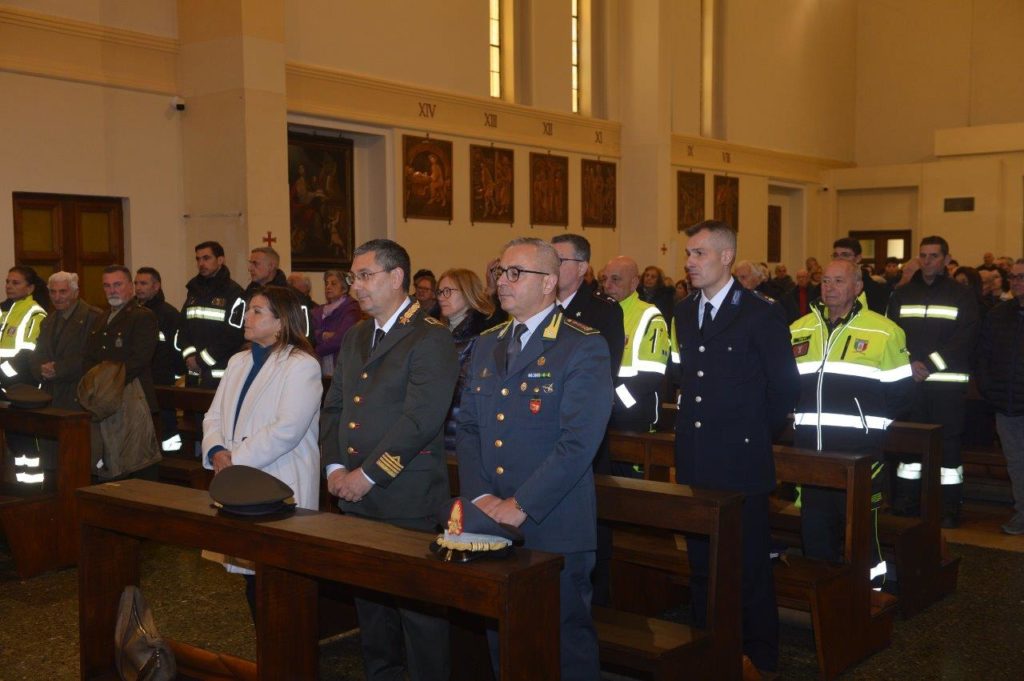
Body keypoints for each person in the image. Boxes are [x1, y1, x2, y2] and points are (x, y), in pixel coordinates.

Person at [457, 237, 612, 681]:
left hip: (553, 521)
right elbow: (469, 428)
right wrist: (481, 497)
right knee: (504, 636)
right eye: (500, 272)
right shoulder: (488, 342)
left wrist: (520, 504)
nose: (502, 282)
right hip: (490, 518)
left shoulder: (582, 345)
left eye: (515, 273)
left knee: (563, 642)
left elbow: (578, 442)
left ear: (548, 283)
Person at [320, 239, 457, 681]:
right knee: (372, 611)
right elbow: (335, 407)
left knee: (419, 614)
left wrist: (369, 475)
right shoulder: (357, 335)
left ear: (397, 277)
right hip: (355, 497)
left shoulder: (430, 336)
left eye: (365, 276)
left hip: (406, 497)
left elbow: (421, 419)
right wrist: (335, 467)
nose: (354, 286)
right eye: (352, 277)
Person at [671, 220, 799, 675]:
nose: (689, 262)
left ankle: (759, 654)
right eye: (688, 253)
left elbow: (785, 389)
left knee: (748, 566)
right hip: (695, 456)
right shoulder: (684, 311)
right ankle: (707, 644)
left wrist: (751, 433)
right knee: (702, 563)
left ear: (726, 257)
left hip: (742, 461)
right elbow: (686, 377)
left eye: (699, 253)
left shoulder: (760, 313)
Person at [790, 259, 913, 588]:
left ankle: (871, 596)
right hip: (811, 454)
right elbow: (787, 387)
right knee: (815, 535)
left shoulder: (884, 330)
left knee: (861, 537)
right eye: (825, 281)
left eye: (839, 281)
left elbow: (901, 393)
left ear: (858, 287)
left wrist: (870, 429)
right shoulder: (799, 328)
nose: (829, 288)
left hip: (859, 455)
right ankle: (824, 600)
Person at [202, 285, 323, 613]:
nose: (247, 317)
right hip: (237, 478)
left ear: (281, 322)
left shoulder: (301, 365)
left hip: (278, 477)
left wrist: (234, 460)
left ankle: (287, 644)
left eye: (257, 311)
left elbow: (287, 429)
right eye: (248, 310)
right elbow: (214, 415)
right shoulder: (238, 361)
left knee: (278, 583)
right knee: (251, 579)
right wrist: (216, 451)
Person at [551, 233, 624, 605]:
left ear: (581, 268)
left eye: (560, 260)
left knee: (589, 523)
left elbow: (601, 377)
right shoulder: (539, 304)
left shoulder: (602, 311)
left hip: (582, 433)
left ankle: (597, 601)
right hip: (541, 433)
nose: (551, 266)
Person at [887, 235, 979, 527]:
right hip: (912, 384)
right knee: (909, 446)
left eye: (934, 256)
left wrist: (928, 365)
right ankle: (906, 501)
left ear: (946, 260)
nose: (927, 261)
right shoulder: (902, 294)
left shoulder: (961, 295)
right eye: (923, 255)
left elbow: (965, 339)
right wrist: (909, 363)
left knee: (948, 450)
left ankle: (948, 508)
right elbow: (892, 335)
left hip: (947, 386)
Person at [16, 272, 100, 488]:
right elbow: (36, 352)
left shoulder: (92, 317)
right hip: (51, 395)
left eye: (63, 291)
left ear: (75, 292)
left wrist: (59, 369)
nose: (57, 297)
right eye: (53, 292)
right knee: (51, 459)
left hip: (78, 395)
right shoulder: (50, 319)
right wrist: (40, 368)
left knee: (77, 458)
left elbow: (91, 357)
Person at [82, 266, 161, 481]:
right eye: (107, 286)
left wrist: (107, 383)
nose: (112, 290)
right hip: (104, 399)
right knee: (110, 459)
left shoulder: (142, 316)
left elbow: (140, 359)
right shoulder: (101, 318)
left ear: (130, 287)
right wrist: (93, 384)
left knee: (136, 462)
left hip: (132, 395)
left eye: (117, 284)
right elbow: (89, 355)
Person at [977, 259, 1024, 534]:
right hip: (1007, 404)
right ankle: (1022, 513)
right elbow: (983, 356)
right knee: (1016, 464)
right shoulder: (999, 314)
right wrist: (989, 387)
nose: (1016, 282)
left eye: (1022, 277)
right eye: (1014, 277)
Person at [436, 267, 503, 452]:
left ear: (467, 292)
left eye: (448, 291)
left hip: (464, 429)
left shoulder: (483, 337)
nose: (441, 297)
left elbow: (467, 388)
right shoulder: (437, 333)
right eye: (439, 292)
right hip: (438, 429)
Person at [602, 256, 670, 435]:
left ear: (633, 283)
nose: (607, 285)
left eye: (615, 279)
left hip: (633, 417)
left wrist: (613, 401)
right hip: (598, 413)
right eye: (604, 279)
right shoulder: (598, 313)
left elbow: (651, 377)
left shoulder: (650, 316)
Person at [179, 241, 246, 387]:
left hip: (219, 376)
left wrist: (201, 360)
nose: (201, 263)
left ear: (220, 260)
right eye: (198, 259)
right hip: (193, 374)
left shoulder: (234, 292)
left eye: (206, 258)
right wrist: (189, 356)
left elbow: (234, 335)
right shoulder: (193, 290)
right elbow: (183, 328)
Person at [134, 267, 184, 452]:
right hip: (137, 380)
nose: (138, 287)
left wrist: (173, 375)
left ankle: (171, 457)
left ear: (156, 286)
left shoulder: (169, 314)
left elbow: (177, 349)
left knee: (165, 427)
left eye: (143, 283)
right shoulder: (132, 312)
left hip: (161, 382)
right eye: (136, 283)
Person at [247, 247, 313, 345]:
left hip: (284, 350)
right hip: (251, 349)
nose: (250, 268)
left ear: (271, 266)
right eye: (250, 263)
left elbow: (304, 334)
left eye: (255, 263)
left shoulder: (293, 297)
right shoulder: (248, 293)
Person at [0, 266, 48, 389]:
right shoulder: (3, 311)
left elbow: (27, 355)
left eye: (15, 283)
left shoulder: (35, 313)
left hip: (20, 383)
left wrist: (3, 373)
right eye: (7, 282)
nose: (9, 286)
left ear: (30, 288)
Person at [312, 269, 361, 377]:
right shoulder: (317, 311)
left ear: (344, 288)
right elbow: (310, 335)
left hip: (341, 367)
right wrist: (323, 335)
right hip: (317, 367)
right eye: (327, 283)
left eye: (333, 283)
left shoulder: (351, 308)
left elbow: (341, 339)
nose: (328, 287)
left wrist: (314, 352)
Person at [832, 237, 891, 314]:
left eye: (845, 255)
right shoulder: (823, 287)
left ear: (858, 258)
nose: (839, 259)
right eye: (835, 255)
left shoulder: (876, 291)